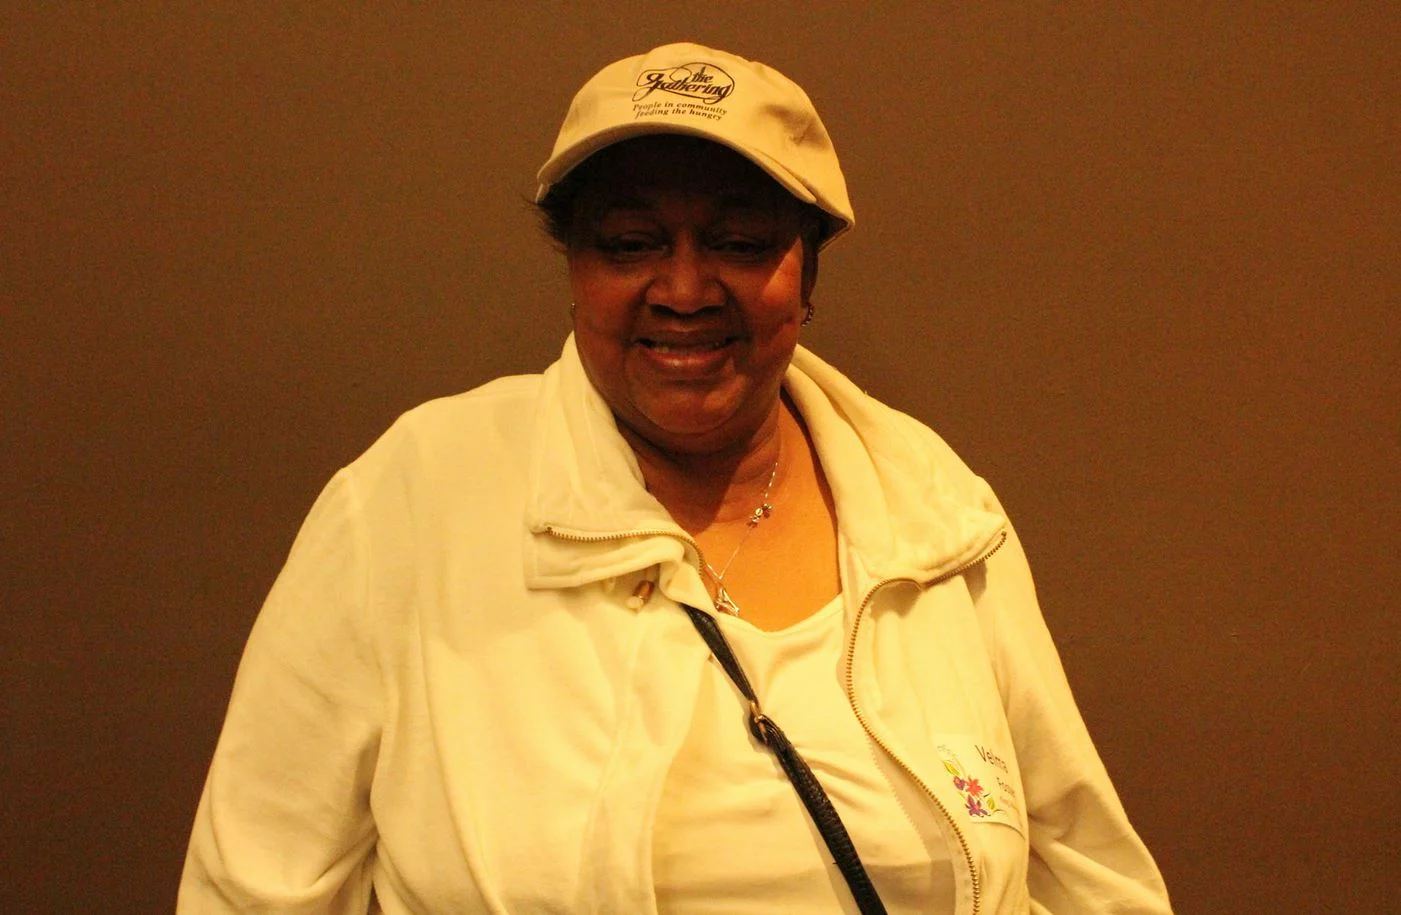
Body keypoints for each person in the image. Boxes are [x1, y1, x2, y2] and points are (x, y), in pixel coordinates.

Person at [178, 42, 1172, 914]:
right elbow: (252, 891)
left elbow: (1092, 882)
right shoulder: (414, 501)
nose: (686, 288)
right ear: (575, 269)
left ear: (807, 275)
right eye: (629, 243)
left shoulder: (938, 515)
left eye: (738, 242)